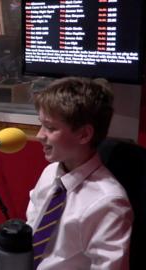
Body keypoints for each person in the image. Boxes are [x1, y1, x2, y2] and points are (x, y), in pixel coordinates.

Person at [26, 77, 133, 269]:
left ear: (84, 134)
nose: (39, 135)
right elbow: (32, 224)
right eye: (41, 124)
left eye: (50, 128)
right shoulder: (50, 173)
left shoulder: (108, 202)